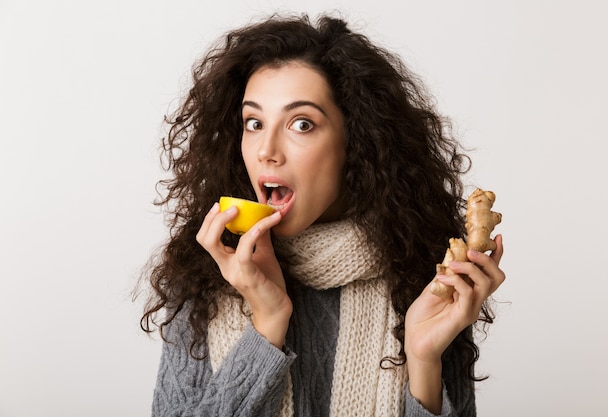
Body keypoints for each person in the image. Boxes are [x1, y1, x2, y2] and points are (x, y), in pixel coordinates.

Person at [139, 12, 505, 417]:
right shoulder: (203, 276)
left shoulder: (426, 281)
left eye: (301, 124)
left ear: (357, 140)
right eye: (254, 122)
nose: (266, 150)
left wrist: (422, 360)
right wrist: (266, 325)